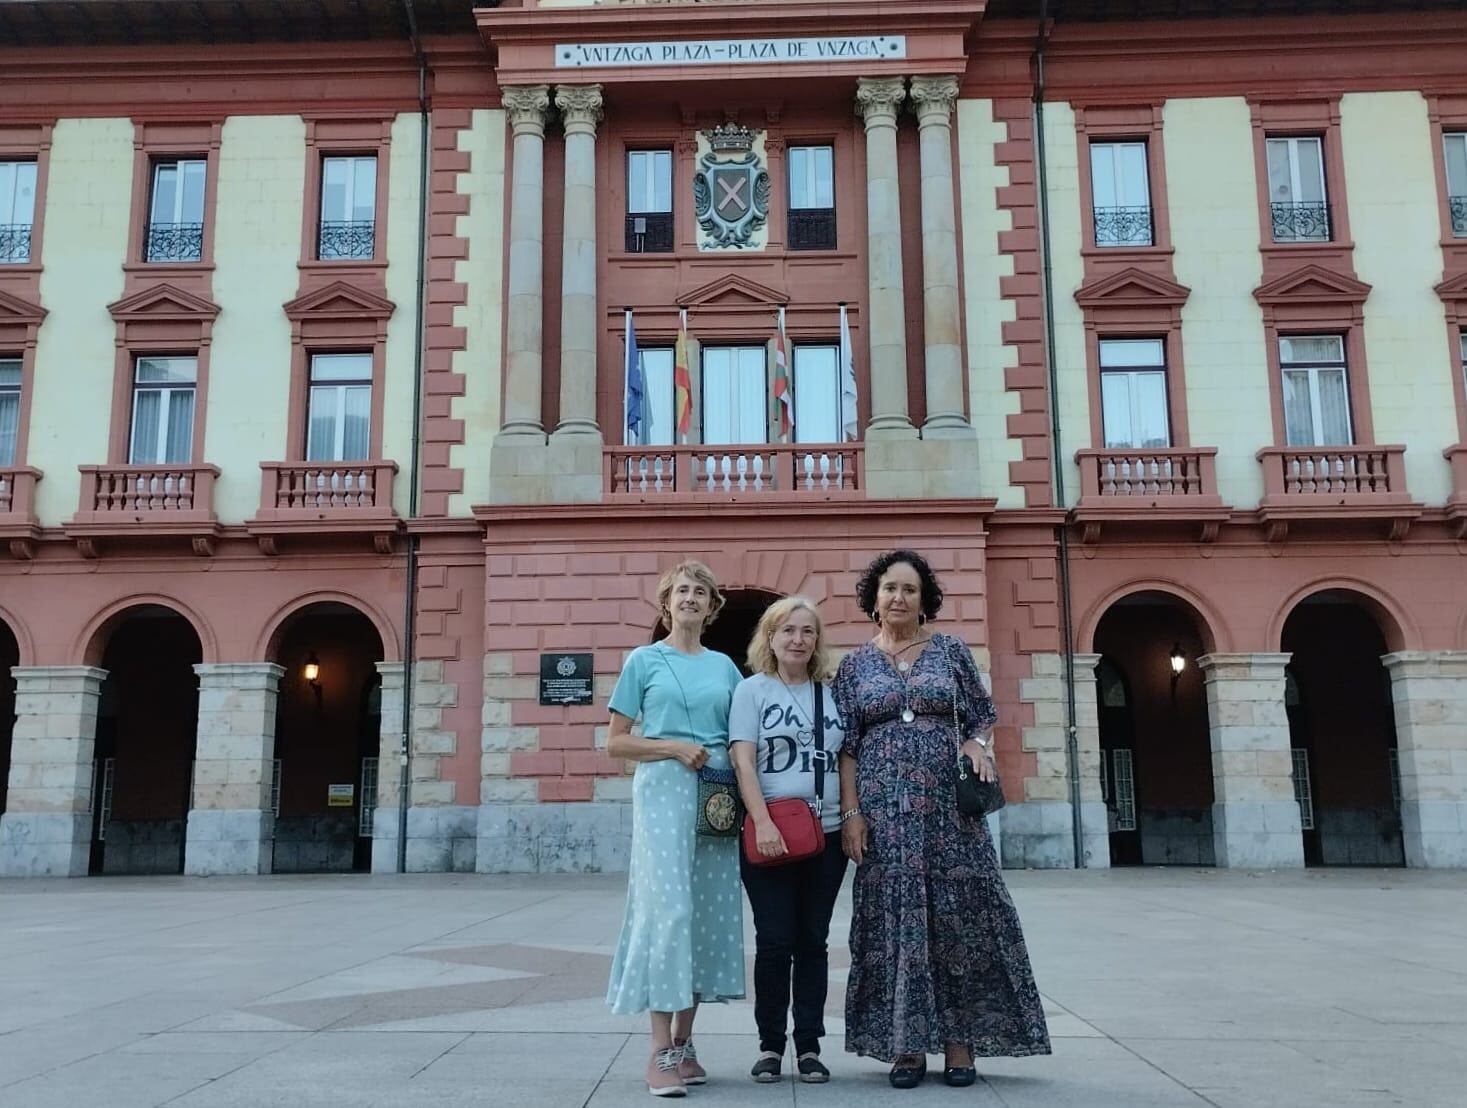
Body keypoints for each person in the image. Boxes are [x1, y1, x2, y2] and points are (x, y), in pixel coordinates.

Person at [833, 549, 1050, 1089]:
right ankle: (906, 1046)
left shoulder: (949, 651)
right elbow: (847, 748)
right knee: (894, 924)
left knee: (962, 923)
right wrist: (852, 814)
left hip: (951, 818)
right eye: (889, 589)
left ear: (924, 599)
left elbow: (982, 714)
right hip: (885, 819)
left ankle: (960, 1043)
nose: (899, 597)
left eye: (909, 589)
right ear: (874, 599)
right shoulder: (854, 666)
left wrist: (976, 745)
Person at [605, 560, 747, 1098]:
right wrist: (672, 746)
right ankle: (658, 1050)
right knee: (669, 911)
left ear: (712, 608)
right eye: (682, 591)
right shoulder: (644, 661)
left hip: (715, 795)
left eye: (700, 592)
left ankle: (686, 1045)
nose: (691, 598)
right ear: (667, 604)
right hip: (664, 789)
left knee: (706, 912)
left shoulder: (725, 668)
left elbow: (741, 735)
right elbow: (616, 741)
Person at [729, 597, 847, 1085]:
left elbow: (846, 759)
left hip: (829, 834)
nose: (797, 639)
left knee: (813, 942)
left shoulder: (832, 692)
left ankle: (810, 1046)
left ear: (816, 641)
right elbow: (742, 759)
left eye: (807, 631)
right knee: (775, 942)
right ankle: (770, 1045)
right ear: (771, 638)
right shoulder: (751, 691)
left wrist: (853, 816)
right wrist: (764, 822)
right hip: (770, 831)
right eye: (787, 631)